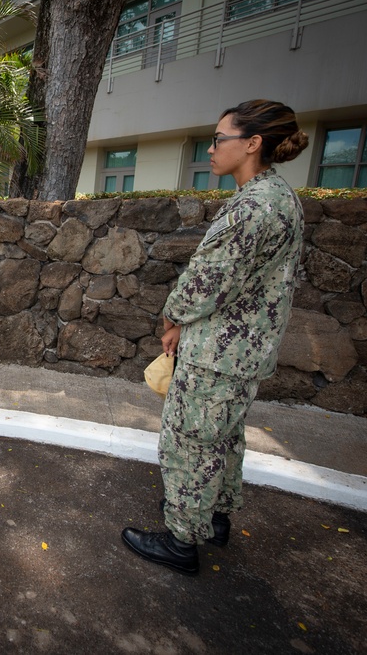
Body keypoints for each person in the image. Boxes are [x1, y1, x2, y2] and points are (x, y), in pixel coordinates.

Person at [121, 100, 309, 574]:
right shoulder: (280, 197)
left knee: (190, 440)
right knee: (223, 437)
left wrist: (172, 318)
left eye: (219, 139)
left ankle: (182, 541)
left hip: (218, 352)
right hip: (246, 351)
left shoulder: (253, 206)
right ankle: (214, 520)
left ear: (252, 143)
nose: (211, 148)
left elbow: (208, 280)